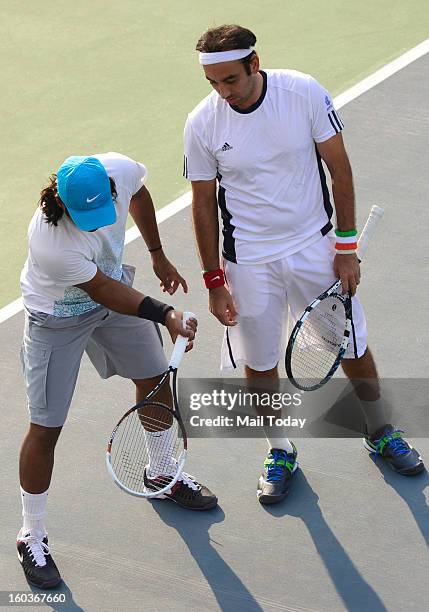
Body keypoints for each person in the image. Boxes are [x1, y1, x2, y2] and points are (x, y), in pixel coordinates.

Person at [184, 24, 424, 505]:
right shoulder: (202, 123)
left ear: (255, 64)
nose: (222, 92)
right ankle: (279, 449)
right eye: (212, 83)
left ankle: (379, 430)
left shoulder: (303, 93)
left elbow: (340, 169)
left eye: (229, 80)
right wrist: (214, 280)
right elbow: (203, 204)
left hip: (314, 247)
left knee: (351, 346)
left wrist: (346, 247)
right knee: (260, 364)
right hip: (248, 259)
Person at [18, 152, 217, 589]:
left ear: (111, 187)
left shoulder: (120, 170)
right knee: (46, 426)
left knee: (154, 378)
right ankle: (31, 533)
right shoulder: (51, 243)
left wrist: (157, 254)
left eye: (102, 210)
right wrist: (165, 314)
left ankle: (162, 471)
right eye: (85, 217)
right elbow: (103, 290)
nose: (96, 223)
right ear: (63, 206)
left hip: (112, 292)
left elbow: (141, 195)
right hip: (58, 316)